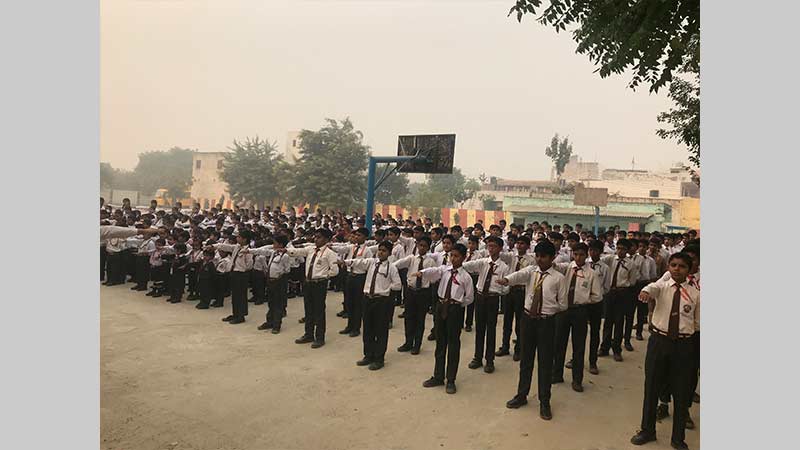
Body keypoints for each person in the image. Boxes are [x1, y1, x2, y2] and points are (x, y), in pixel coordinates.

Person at [630, 252, 699, 450]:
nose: (677, 269)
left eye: (682, 266)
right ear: (669, 267)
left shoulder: (696, 294)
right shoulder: (662, 287)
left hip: (684, 345)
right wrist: (645, 291)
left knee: (681, 390)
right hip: (659, 342)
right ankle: (647, 430)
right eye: (674, 265)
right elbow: (651, 288)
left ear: (689, 270)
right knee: (652, 386)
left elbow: (697, 324)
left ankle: (678, 438)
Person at [498, 240, 566, 420]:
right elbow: (518, 275)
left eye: (544, 256)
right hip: (528, 320)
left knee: (545, 362)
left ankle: (544, 401)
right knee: (526, 360)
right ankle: (522, 395)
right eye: (537, 256)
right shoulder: (531, 271)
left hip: (546, 322)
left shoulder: (559, 278)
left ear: (552, 258)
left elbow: (563, 304)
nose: (539, 259)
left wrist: (547, 311)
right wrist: (506, 280)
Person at [414, 243, 474, 394]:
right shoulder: (445, 270)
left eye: (456, 256)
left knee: (453, 344)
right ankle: (438, 376)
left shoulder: (466, 277)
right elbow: (434, 271)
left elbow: (469, 298)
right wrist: (422, 272)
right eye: (451, 255)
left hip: (455, 309)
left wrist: (456, 305)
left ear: (463, 257)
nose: (453, 259)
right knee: (440, 342)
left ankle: (451, 379)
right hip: (440, 306)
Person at [343, 240, 402, 370]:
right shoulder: (371, 262)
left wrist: (385, 290)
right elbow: (358, 262)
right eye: (379, 250)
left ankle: (379, 358)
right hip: (367, 299)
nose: (380, 252)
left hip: (381, 301)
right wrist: (344, 262)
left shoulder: (391, 268)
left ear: (389, 253)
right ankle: (368, 355)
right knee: (368, 328)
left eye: (384, 251)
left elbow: (398, 285)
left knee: (380, 330)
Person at [551, 243, 603, 392]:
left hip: (580, 311)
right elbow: (554, 266)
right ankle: (557, 374)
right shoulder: (567, 268)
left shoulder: (591, 273)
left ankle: (577, 380)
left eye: (581, 255)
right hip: (563, 310)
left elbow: (597, 296)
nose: (578, 257)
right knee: (559, 343)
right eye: (576, 254)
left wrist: (584, 300)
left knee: (578, 346)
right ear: (572, 254)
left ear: (586, 255)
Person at [284, 228, 340, 348]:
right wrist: (286, 250)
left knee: (319, 310)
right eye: (315, 236)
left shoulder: (330, 253)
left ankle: (320, 337)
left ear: (326, 239)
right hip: (308, 282)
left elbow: (335, 270)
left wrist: (323, 276)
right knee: (308, 309)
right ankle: (308, 334)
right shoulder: (311, 249)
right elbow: (297, 252)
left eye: (319, 237)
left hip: (319, 283)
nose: (315, 239)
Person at [462, 236, 509, 374]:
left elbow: (507, 288)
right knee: (480, 329)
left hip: (493, 299)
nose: (491, 249)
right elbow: (468, 265)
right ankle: (477, 358)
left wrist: (499, 289)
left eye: (494, 246)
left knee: (491, 330)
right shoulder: (483, 262)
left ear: (500, 248)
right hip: (480, 297)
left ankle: (489, 360)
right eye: (489, 246)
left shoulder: (504, 267)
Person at [393, 236, 438, 355]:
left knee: (419, 319)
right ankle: (408, 342)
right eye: (420, 245)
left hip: (423, 292)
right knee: (409, 318)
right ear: (417, 245)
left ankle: (417, 345)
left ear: (428, 248)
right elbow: (398, 264)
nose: (421, 248)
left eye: (424, 246)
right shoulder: (412, 258)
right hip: (410, 291)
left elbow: (434, 278)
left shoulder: (431, 262)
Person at [599, 239, 639, 361]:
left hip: (622, 294)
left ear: (627, 250)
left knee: (619, 321)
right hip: (610, 293)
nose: (620, 251)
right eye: (618, 248)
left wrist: (623, 288)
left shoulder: (631, 264)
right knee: (607, 321)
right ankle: (604, 347)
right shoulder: (610, 259)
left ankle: (617, 349)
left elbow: (632, 281)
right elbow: (598, 261)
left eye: (623, 249)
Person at [496, 235, 535, 361]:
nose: (519, 245)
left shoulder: (531, 260)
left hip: (522, 291)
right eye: (518, 243)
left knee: (520, 322)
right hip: (510, 290)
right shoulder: (512, 256)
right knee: (507, 320)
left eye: (522, 243)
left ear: (528, 246)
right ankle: (505, 346)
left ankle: (519, 349)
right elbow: (500, 255)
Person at [250, 235, 292, 334]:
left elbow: (287, 270)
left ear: (280, 244)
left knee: (278, 304)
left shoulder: (285, 256)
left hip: (278, 282)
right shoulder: (273, 253)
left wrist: (279, 277)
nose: (273, 245)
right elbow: (263, 251)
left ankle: (276, 325)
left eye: (275, 243)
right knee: (271, 302)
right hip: (270, 281)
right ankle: (269, 321)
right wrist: (250, 251)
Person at [211, 230, 254, 324]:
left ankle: (240, 316)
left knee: (240, 296)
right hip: (234, 273)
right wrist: (214, 246)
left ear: (245, 239)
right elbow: (227, 247)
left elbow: (249, 265)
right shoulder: (237, 247)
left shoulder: (248, 251)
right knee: (235, 296)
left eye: (239, 237)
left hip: (241, 274)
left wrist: (241, 269)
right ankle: (235, 313)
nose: (237, 238)